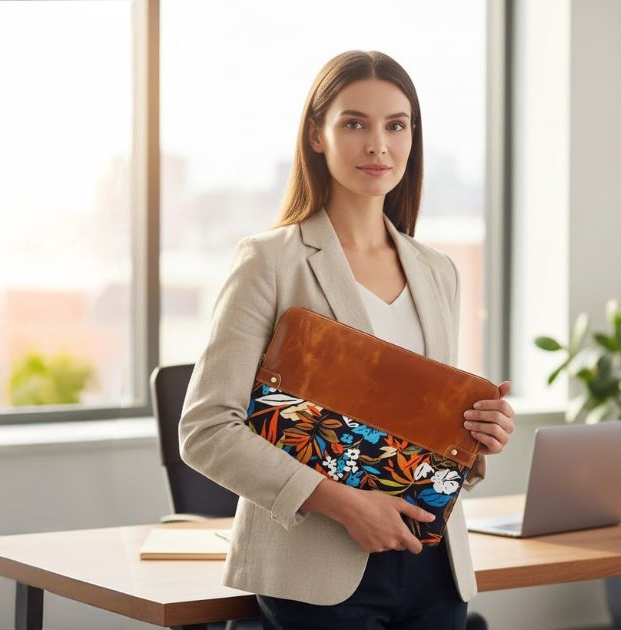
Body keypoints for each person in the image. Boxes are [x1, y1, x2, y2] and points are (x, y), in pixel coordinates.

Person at [178, 50, 516, 630]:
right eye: (354, 123)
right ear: (316, 134)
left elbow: (419, 438)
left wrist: (479, 438)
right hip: (318, 571)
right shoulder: (269, 262)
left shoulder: (437, 271)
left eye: (396, 125)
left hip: (435, 567)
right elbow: (206, 429)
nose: (378, 145)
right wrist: (343, 505)